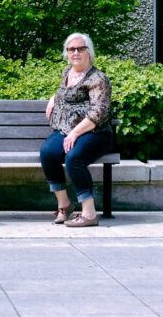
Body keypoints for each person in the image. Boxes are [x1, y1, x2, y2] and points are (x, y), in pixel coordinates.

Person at [40, 32, 113, 228]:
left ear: (89, 52)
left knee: (74, 158)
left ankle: (89, 214)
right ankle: (64, 203)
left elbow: (99, 112)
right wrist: (54, 98)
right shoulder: (67, 73)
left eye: (80, 48)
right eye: (71, 49)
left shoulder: (98, 78)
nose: (76, 53)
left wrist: (75, 133)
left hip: (95, 132)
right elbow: (65, 93)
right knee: (48, 152)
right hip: (66, 130)